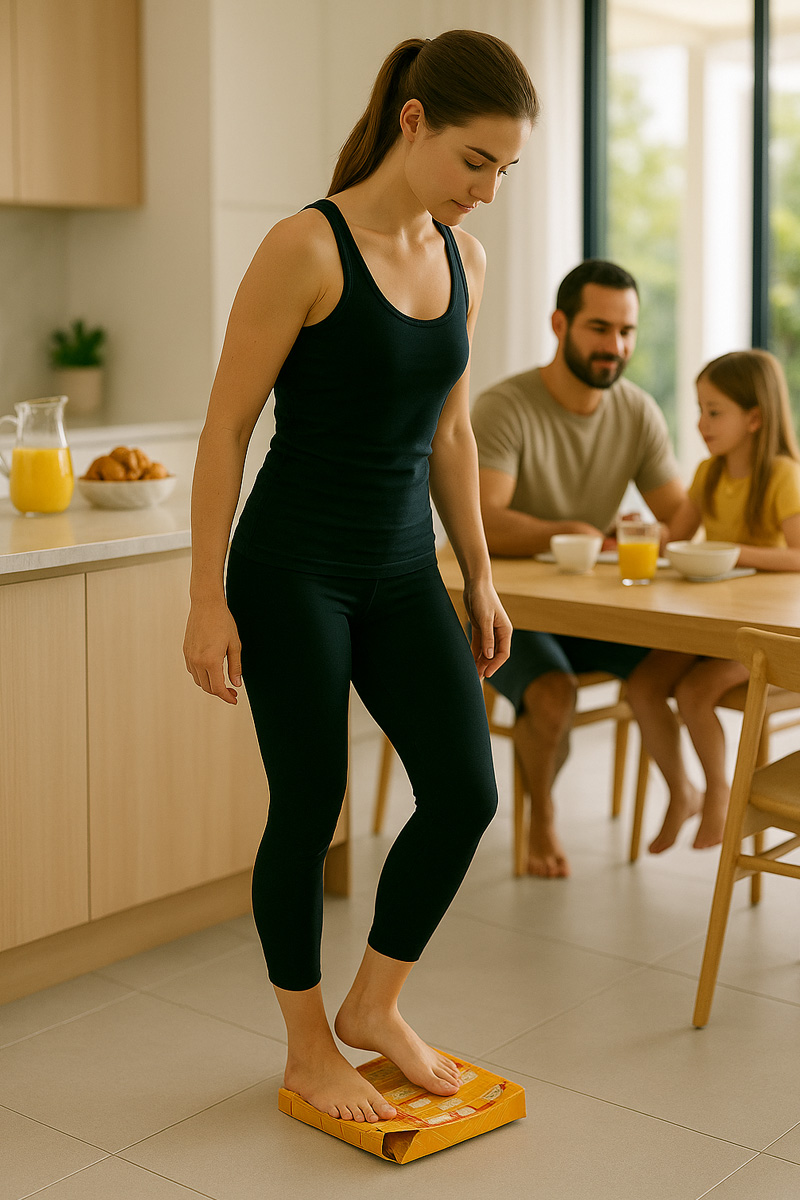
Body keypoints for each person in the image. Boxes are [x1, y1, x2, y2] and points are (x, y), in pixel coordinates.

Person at [182, 30, 537, 1125]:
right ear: (414, 120)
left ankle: (374, 1007)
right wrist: (206, 598)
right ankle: (304, 1045)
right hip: (292, 567)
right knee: (311, 806)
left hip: (398, 567)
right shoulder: (307, 246)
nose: (486, 191)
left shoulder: (463, 261)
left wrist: (476, 573)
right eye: (475, 161)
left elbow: (451, 434)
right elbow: (226, 427)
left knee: (465, 789)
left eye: (504, 172)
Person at [471, 260, 687, 879]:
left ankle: (693, 797)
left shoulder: (638, 411)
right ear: (559, 323)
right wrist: (570, 532)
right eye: (599, 328)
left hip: (592, 610)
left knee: (680, 663)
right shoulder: (506, 407)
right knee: (554, 692)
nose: (614, 347)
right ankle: (541, 816)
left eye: (627, 331)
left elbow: (678, 517)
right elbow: (485, 521)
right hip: (504, 607)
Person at [625, 349, 800, 854]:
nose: (700, 423)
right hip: (710, 624)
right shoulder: (708, 474)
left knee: (697, 692)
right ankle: (683, 793)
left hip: (760, 631)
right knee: (643, 686)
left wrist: (735, 552)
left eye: (713, 411)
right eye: (699, 409)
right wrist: (643, 535)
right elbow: (675, 538)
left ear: (755, 417)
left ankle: (719, 796)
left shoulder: (783, 476)